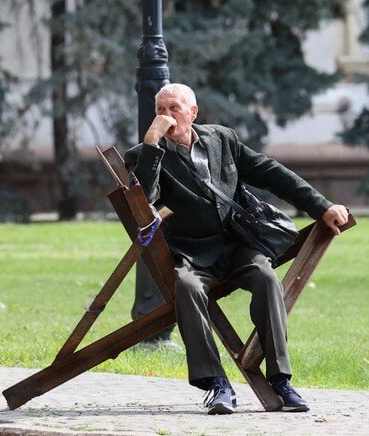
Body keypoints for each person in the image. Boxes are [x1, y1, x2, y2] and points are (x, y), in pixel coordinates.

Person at [124, 84, 349, 415]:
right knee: (187, 287)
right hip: (192, 253)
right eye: (160, 109)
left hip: (236, 246)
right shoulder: (143, 154)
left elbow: (273, 174)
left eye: (174, 108)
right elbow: (144, 201)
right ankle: (216, 384)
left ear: (193, 112)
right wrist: (151, 144)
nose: (167, 116)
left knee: (265, 276)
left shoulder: (221, 140)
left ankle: (281, 380)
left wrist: (322, 207)